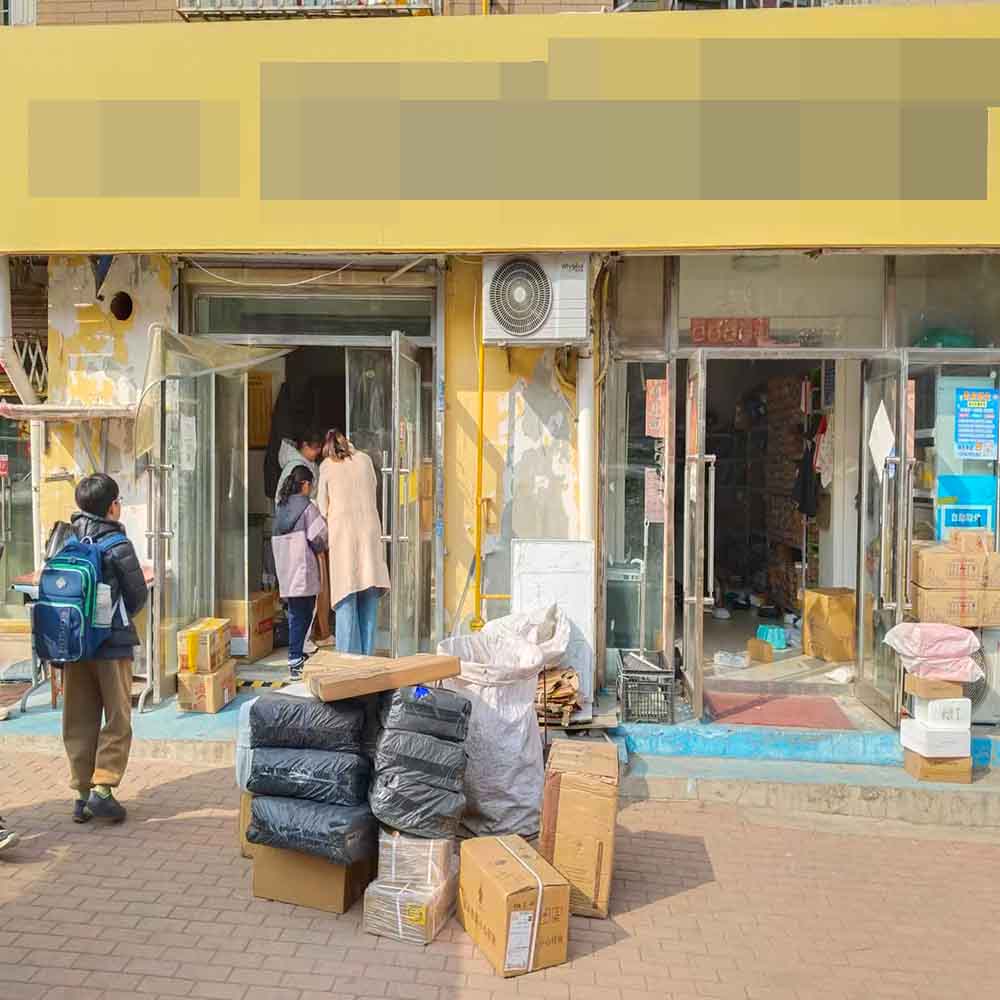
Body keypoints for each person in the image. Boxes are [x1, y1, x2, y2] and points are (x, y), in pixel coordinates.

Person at [64, 474, 147, 824]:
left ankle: (81, 796)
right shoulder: (118, 543)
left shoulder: (65, 538)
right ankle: (103, 789)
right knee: (117, 718)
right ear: (112, 506)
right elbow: (138, 596)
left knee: (78, 719)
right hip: (112, 646)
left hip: (74, 645)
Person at [316, 429, 390, 655]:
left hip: (344, 540)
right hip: (369, 536)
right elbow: (373, 487)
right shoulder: (365, 461)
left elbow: (322, 507)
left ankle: (347, 662)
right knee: (368, 600)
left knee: (345, 600)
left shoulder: (327, 466)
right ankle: (367, 660)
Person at [273, 428, 332, 646]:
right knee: (306, 604)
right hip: (304, 545)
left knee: (295, 604)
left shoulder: (286, 505)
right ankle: (302, 646)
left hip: (288, 549)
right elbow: (319, 536)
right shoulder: (305, 504)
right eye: (315, 448)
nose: (317, 453)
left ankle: (297, 647)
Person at [272, 465, 329, 680]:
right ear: (304, 484)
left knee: (295, 612)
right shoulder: (307, 507)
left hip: (286, 568)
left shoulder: (281, 507)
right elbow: (319, 537)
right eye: (311, 485)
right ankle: (295, 659)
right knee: (303, 613)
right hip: (304, 567)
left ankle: (297, 654)